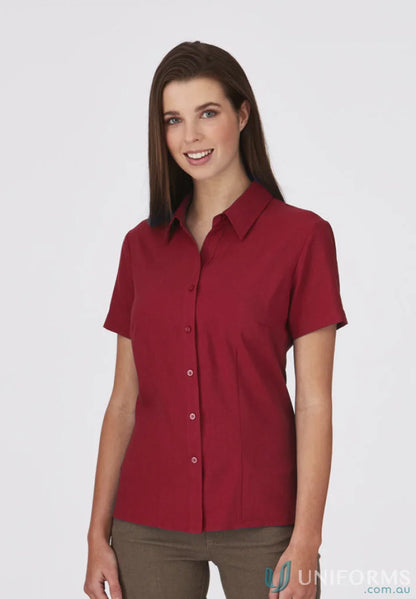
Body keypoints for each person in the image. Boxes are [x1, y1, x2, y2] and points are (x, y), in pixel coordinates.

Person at [84, 40, 348, 599]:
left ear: (242, 115)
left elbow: (315, 402)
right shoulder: (140, 247)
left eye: (207, 113)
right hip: (147, 522)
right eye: (173, 120)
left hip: (264, 522)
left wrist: (306, 539)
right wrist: (95, 535)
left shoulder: (303, 238)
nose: (191, 137)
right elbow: (124, 400)